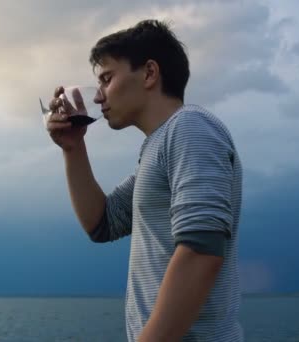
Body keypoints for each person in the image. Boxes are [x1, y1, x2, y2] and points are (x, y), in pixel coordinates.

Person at [46, 19, 243, 342]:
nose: (98, 98)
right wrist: (73, 146)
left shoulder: (190, 128)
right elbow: (102, 223)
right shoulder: (159, 147)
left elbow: (201, 250)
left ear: (150, 73)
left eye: (107, 79)